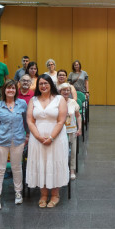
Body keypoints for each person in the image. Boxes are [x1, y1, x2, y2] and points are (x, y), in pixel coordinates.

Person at [26, 74, 68, 208]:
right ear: (38, 86)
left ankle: (55, 195)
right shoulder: (33, 100)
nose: (43, 86)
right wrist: (38, 137)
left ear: (51, 84)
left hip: (56, 138)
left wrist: (51, 137)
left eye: (46, 83)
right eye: (41, 84)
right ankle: (43, 195)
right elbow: (30, 120)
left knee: (54, 162)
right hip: (37, 138)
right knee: (41, 163)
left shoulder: (59, 99)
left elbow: (61, 120)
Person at [0, 80, 28, 210]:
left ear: (16, 90)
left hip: (18, 140)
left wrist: (27, 135)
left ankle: (18, 192)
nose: (11, 90)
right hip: (1, 141)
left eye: (13, 88)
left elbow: (26, 122)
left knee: (17, 167)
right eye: (8, 88)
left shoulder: (22, 104)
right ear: (4, 90)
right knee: (0, 169)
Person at [58, 83, 81, 180]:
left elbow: (78, 115)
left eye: (68, 90)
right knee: (61, 152)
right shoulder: (56, 102)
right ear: (60, 91)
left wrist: (79, 128)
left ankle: (72, 170)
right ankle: (62, 170)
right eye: (64, 90)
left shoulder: (73, 102)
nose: (66, 92)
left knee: (73, 152)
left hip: (71, 130)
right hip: (59, 131)